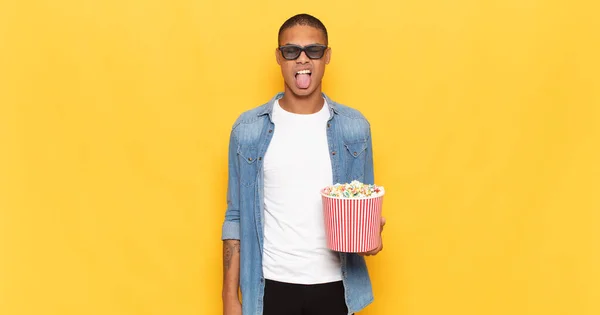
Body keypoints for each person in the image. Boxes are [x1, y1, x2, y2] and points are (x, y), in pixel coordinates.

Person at [221, 13, 385, 315]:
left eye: (314, 50)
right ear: (279, 57)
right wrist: (230, 298)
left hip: (336, 286)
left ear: (327, 56)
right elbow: (235, 216)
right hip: (269, 285)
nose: (302, 59)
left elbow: (364, 201)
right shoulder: (247, 130)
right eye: (291, 51)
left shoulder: (354, 128)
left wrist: (371, 236)